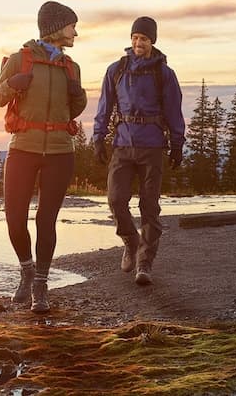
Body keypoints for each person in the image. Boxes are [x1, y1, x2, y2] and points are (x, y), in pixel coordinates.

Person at [0, 0, 87, 312]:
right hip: (23, 149)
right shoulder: (21, 59)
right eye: (72, 25)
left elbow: (75, 109)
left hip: (60, 151)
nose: (76, 32)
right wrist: (11, 83)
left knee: (47, 220)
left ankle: (41, 285)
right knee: (15, 220)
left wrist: (77, 93)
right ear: (56, 28)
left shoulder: (72, 67)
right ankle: (26, 270)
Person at [92, 16, 185, 285]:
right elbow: (104, 106)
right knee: (116, 200)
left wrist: (177, 143)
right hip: (122, 144)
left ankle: (144, 263)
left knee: (149, 206)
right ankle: (131, 241)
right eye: (134, 38)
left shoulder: (164, 74)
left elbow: (174, 110)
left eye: (143, 39)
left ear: (152, 41)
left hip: (153, 146)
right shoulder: (116, 70)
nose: (138, 43)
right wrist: (98, 138)